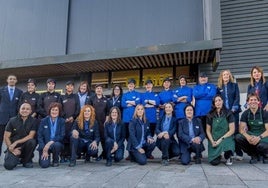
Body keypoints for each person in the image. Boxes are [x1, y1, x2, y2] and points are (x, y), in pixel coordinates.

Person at [217, 70, 243, 160]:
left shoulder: (234, 85)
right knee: (227, 132)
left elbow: (237, 97)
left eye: (227, 74)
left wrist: (233, 109)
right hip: (224, 114)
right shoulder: (219, 87)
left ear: (230, 76)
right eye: (224, 74)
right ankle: (229, 152)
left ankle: (239, 153)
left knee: (235, 132)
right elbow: (218, 100)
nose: (226, 76)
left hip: (234, 112)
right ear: (222, 76)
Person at [235, 93, 268, 164]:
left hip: (263, 136)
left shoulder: (264, 113)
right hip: (251, 134)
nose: (253, 101)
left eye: (255, 100)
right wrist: (248, 137)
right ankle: (254, 155)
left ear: (258, 102)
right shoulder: (245, 113)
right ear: (248, 102)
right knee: (238, 137)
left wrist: (259, 137)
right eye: (251, 100)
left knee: (261, 146)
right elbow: (241, 129)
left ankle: (265, 155)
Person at [3, 103, 37, 170]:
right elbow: (6, 136)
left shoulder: (33, 121)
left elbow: (31, 136)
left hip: (25, 147)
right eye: (23, 108)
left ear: (30, 111)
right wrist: (11, 148)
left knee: (32, 142)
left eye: (27, 109)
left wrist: (16, 142)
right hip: (14, 147)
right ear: (19, 109)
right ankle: (15, 158)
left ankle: (26, 161)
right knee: (8, 166)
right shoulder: (12, 120)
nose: (25, 110)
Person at [206, 95, 235, 166]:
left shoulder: (229, 113)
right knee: (214, 162)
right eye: (216, 101)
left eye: (219, 100)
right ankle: (218, 155)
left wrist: (221, 139)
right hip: (214, 138)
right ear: (214, 103)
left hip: (225, 137)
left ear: (222, 101)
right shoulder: (210, 114)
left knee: (228, 143)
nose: (218, 102)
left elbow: (232, 130)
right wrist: (212, 141)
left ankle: (228, 156)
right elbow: (208, 130)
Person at [0, 74, 23, 156]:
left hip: (14, 120)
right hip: (2, 119)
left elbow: (20, 106)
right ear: (7, 80)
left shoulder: (20, 92)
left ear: (16, 81)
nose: (12, 80)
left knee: (13, 138)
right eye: (10, 79)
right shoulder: (1, 90)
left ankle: (11, 156)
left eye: (14, 79)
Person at [38, 102, 65, 168]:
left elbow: (62, 135)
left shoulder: (62, 121)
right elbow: (39, 136)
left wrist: (50, 143)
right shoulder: (43, 121)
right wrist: (44, 148)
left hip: (55, 144)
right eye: (53, 110)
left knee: (57, 144)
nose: (54, 112)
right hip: (44, 145)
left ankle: (55, 160)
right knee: (44, 165)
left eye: (56, 110)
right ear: (50, 111)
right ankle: (46, 158)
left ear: (59, 111)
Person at [87, 84, 109, 161]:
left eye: (100, 88)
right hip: (94, 122)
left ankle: (105, 154)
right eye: (97, 88)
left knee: (103, 139)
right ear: (95, 90)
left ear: (102, 90)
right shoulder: (91, 98)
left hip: (103, 122)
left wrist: (106, 120)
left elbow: (108, 112)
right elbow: (88, 109)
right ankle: (94, 154)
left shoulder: (106, 99)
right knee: (94, 137)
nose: (99, 90)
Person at [121, 78, 141, 160]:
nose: (131, 85)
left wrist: (128, 102)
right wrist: (132, 102)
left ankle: (133, 153)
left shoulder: (138, 94)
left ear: (134, 85)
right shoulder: (124, 95)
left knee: (133, 136)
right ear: (127, 85)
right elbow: (123, 104)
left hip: (134, 119)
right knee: (127, 136)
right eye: (129, 84)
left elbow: (137, 103)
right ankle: (130, 153)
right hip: (125, 119)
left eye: (132, 84)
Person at [61, 81, 80, 162]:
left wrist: (73, 117)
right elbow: (60, 108)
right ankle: (62, 156)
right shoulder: (62, 97)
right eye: (68, 86)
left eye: (72, 86)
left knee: (71, 137)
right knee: (63, 137)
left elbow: (78, 108)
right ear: (66, 87)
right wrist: (65, 117)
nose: (70, 87)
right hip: (64, 121)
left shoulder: (76, 96)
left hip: (73, 121)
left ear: (73, 87)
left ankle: (69, 155)